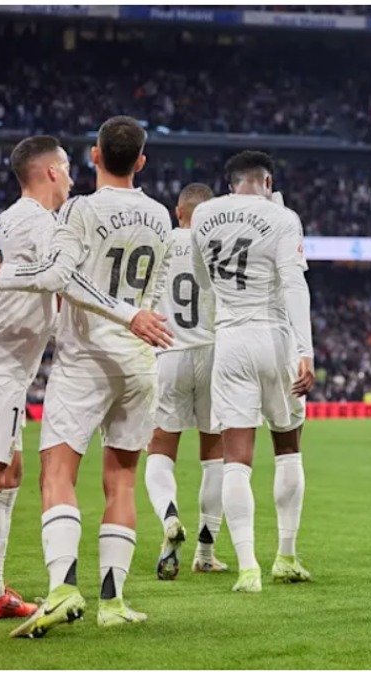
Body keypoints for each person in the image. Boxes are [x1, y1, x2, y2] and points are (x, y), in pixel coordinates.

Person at [0, 134, 168, 634]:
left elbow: (27, 286)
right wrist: (128, 315)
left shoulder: (17, 219)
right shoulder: (41, 223)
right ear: (52, 171)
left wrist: (1, 273)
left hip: (4, 366)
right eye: (67, 168)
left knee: (10, 473)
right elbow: (60, 277)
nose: (73, 177)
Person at [189, 150, 315, 594]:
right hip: (275, 337)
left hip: (230, 340)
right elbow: (294, 282)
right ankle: (286, 556)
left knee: (236, 460)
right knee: (288, 448)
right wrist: (306, 351)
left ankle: (248, 568)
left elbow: (201, 278)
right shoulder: (282, 217)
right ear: (268, 182)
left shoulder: (204, 213)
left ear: (230, 183)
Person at [143, 182, 230, 580]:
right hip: (212, 352)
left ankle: (169, 517)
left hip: (169, 351)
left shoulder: (161, 243)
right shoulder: (220, 247)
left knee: (160, 449)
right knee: (215, 454)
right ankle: (206, 552)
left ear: (178, 212)